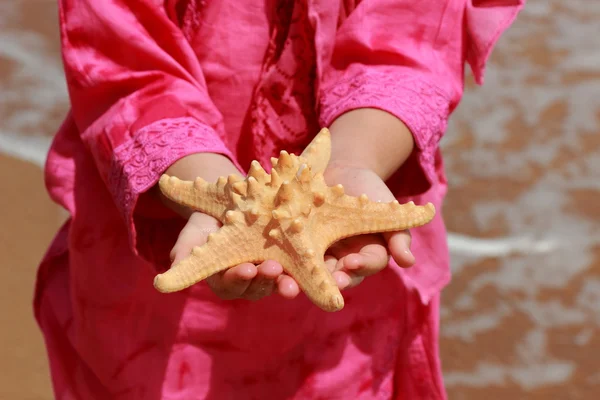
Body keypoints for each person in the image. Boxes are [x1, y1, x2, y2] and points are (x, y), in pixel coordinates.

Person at [34, 0, 524, 398]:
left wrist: (357, 161)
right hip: (158, 264)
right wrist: (197, 176)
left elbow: (412, 33)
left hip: (350, 286)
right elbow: (122, 58)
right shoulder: (215, 202)